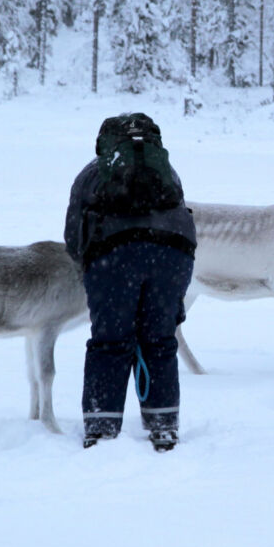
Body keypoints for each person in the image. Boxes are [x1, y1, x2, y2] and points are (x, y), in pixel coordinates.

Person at [64, 112, 196, 451]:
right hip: (173, 254)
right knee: (160, 339)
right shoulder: (168, 172)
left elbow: (73, 238)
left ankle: (101, 427)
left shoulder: (92, 173)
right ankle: (163, 426)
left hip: (114, 255)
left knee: (110, 341)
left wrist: (95, 270)